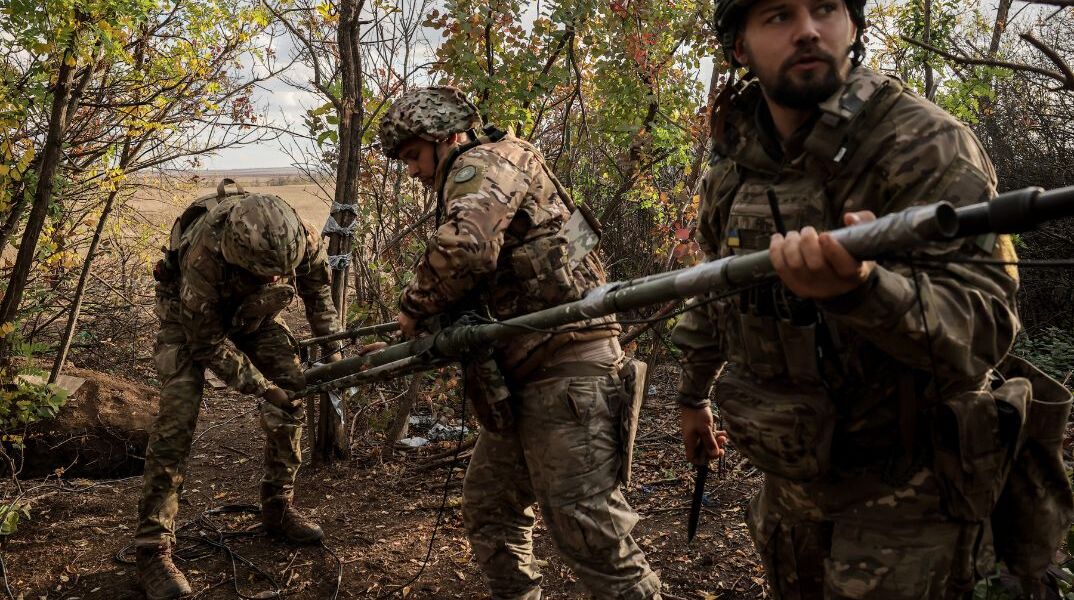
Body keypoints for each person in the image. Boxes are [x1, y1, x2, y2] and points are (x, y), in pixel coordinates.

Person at [672, 0, 1025, 597]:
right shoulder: (733, 167)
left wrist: (863, 291)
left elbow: (987, 328)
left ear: (854, 25)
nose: (808, 30)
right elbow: (717, 290)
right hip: (791, 492)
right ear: (739, 47)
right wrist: (691, 397)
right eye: (778, 15)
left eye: (826, 8)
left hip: (911, 500)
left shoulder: (927, 144)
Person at [378, 86, 662, 600]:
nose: (415, 172)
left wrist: (414, 306)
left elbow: (466, 248)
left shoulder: (484, 162)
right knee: (491, 508)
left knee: (590, 533)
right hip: (530, 373)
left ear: (446, 138)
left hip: (567, 369)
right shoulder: (509, 159)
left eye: (414, 156)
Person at [134, 184, 368, 599]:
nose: (277, 278)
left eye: (281, 272)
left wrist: (333, 350)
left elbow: (317, 294)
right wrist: (262, 388)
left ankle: (278, 506)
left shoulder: (302, 236)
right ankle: (153, 548)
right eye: (265, 273)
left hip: (253, 316)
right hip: (189, 322)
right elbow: (205, 344)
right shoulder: (204, 257)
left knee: (294, 386)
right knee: (177, 419)